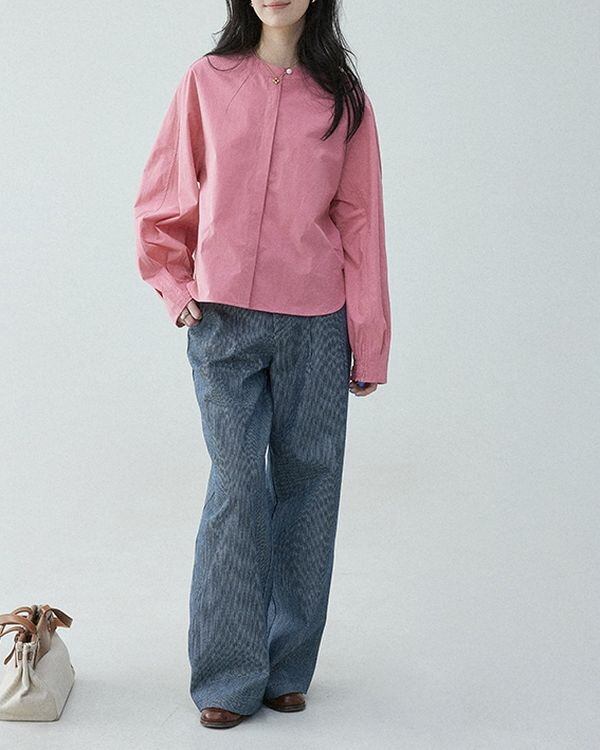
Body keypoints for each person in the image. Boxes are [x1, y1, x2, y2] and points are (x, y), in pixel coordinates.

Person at [133, 0, 392, 731]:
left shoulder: (343, 98)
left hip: (317, 322)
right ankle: (227, 673)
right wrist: (175, 286)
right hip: (223, 321)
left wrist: (368, 338)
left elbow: (361, 221)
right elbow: (164, 191)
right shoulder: (207, 80)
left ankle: (286, 667)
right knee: (239, 484)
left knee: (310, 486)